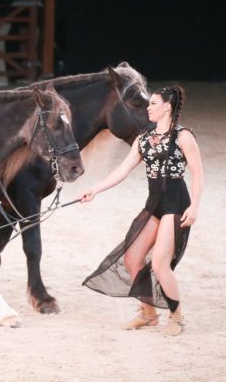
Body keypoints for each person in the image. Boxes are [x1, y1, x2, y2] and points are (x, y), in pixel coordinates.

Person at [78, 85, 204, 336]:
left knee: (159, 264)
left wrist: (194, 207)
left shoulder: (183, 137)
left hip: (176, 204)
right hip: (154, 205)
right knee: (132, 259)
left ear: (167, 107)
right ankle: (149, 314)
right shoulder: (144, 139)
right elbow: (122, 170)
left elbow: (198, 174)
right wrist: (95, 189)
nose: (148, 108)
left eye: (153, 103)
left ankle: (177, 317)